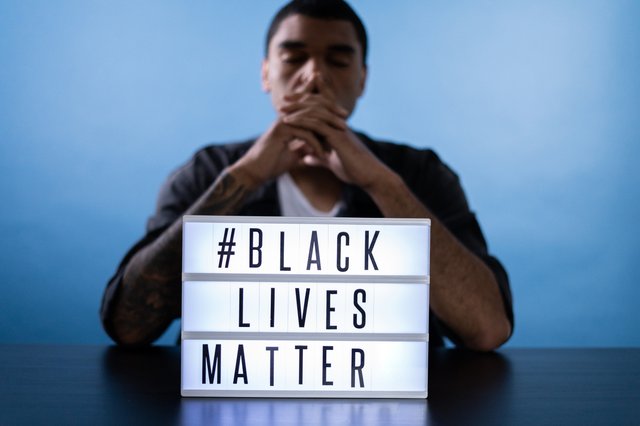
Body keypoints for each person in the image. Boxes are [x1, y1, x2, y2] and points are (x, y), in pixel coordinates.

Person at [101, 0, 513, 351]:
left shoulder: (417, 173)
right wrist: (244, 178)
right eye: (294, 57)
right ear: (266, 73)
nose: (314, 76)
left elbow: (487, 329)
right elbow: (128, 326)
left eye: (337, 59)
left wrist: (381, 185)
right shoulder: (209, 171)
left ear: (363, 78)